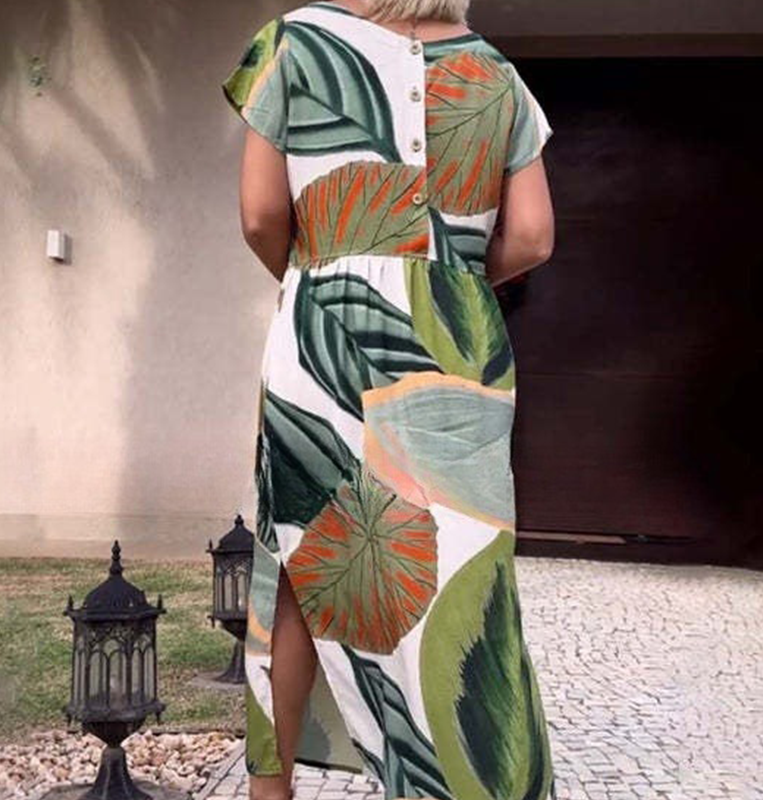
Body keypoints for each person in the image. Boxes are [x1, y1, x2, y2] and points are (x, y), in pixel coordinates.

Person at [221, 1, 557, 799]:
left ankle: (270, 790)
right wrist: (449, 281)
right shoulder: (497, 75)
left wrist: (326, 278)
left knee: (300, 556)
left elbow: (262, 215)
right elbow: (533, 236)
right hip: (456, 342)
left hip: (324, 325)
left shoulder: (295, 41)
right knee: (465, 566)